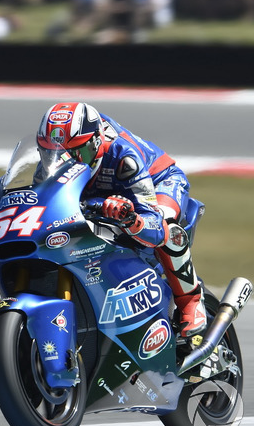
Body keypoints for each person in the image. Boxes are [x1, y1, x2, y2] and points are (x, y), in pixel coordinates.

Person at [37, 102, 206, 338]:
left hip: (158, 182)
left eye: (77, 152)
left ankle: (190, 302)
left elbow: (153, 224)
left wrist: (130, 218)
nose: (69, 161)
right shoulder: (52, 160)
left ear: (95, 140)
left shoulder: (124, 156)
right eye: (54, 152)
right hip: (104, 195)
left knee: (166, 226)